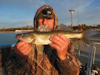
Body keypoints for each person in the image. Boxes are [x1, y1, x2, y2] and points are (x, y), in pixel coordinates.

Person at [5, 5, 81, 75]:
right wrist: (19, 59)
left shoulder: (66, 43)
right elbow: (9, 71)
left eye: (48, 19)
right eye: (41, 18)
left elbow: (75, 73)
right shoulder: (22, 45)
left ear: (54, 22)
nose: (44, 22)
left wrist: (63, 57)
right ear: (36, 21)